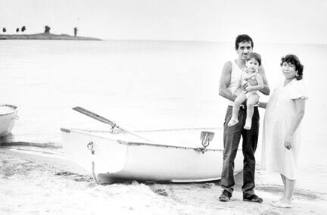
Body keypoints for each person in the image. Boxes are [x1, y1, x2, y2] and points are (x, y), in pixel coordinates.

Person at [218, 34, 270, 203]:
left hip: (252, 113)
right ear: (237, 49)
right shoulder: (230, 65)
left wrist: (256, 84)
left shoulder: (257, 66)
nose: (246, 51)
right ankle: (226, 190)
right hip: (233, 111)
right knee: (229, 152)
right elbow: (222, 90)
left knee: (250, 153)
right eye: (242, 47)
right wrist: (239, 101)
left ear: (252, 49)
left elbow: (267, 89)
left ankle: (248, 191)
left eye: (248, 47)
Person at [261, 54, 307, 208]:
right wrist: (255, 103)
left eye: (290, 66)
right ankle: (285, 197)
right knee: (282, 163)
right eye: (284, 64)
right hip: (277, 131)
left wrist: (289, 134)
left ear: (297, 71)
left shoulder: (298, 85)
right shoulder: (281, 86)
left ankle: (288, 199)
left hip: (289, 131)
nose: (286, 68)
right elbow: (274, 105)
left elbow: (300, 112)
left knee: (289, 163)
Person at [228, 52, 264, 130]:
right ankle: (234, 118)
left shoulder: (257, 75)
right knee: (237, 101)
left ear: (258, 66)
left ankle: (248, 120)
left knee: (250, 104)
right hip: (245, 92)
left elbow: (261, 86)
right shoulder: (244, 73)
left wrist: (252, 88)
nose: (252, 65)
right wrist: (236, 89)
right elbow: (240, 82)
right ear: (246, 63)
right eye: (251, 63)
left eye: (255, 64)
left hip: (254, 94)